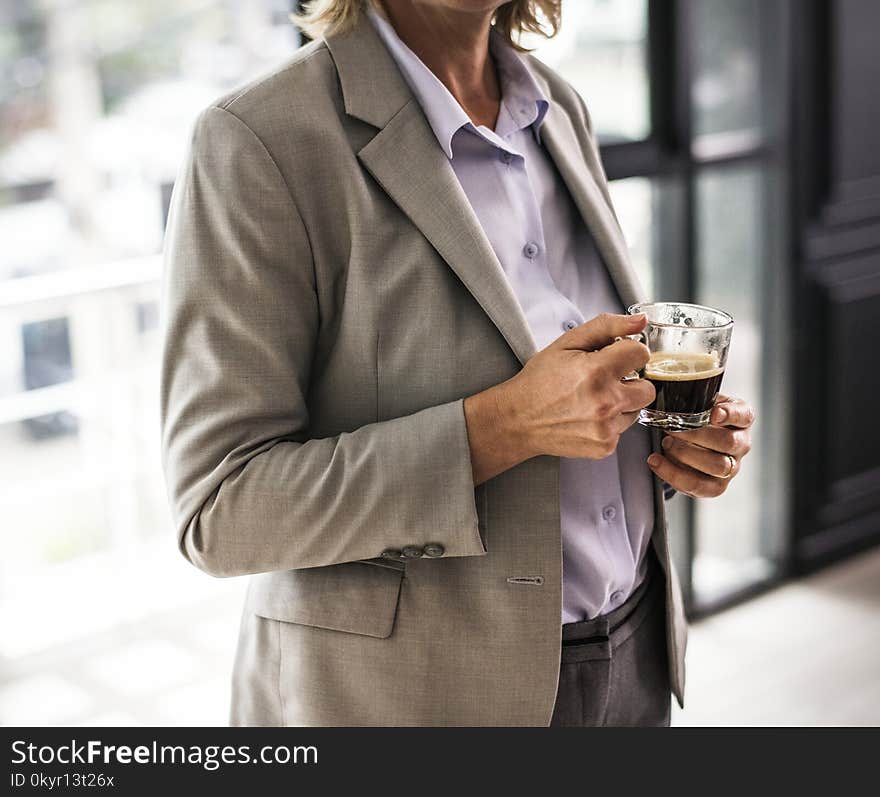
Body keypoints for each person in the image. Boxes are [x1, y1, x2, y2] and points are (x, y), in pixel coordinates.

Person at [159, 0, 755, 726]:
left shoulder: (557, 105)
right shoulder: (260, 138)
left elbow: (578, 396)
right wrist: (499, 427)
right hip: (414, 699)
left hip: (634, 657)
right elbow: (220, 510)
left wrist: (670, 443)